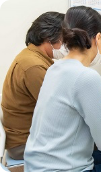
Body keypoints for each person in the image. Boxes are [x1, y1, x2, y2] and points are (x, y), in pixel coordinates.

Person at [24, 6, 101, 172]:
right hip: (63, 169)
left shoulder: (54, 68)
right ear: (99, 38)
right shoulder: (86, 77)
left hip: (36, 165)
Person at [1, 12, 65, 160]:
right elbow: (59, 113)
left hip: (25, 137)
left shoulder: (32, 56)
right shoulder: (34, 66)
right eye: (64, 39)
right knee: (91, 142)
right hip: (24, 144)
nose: (66, 45)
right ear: (48, 38)